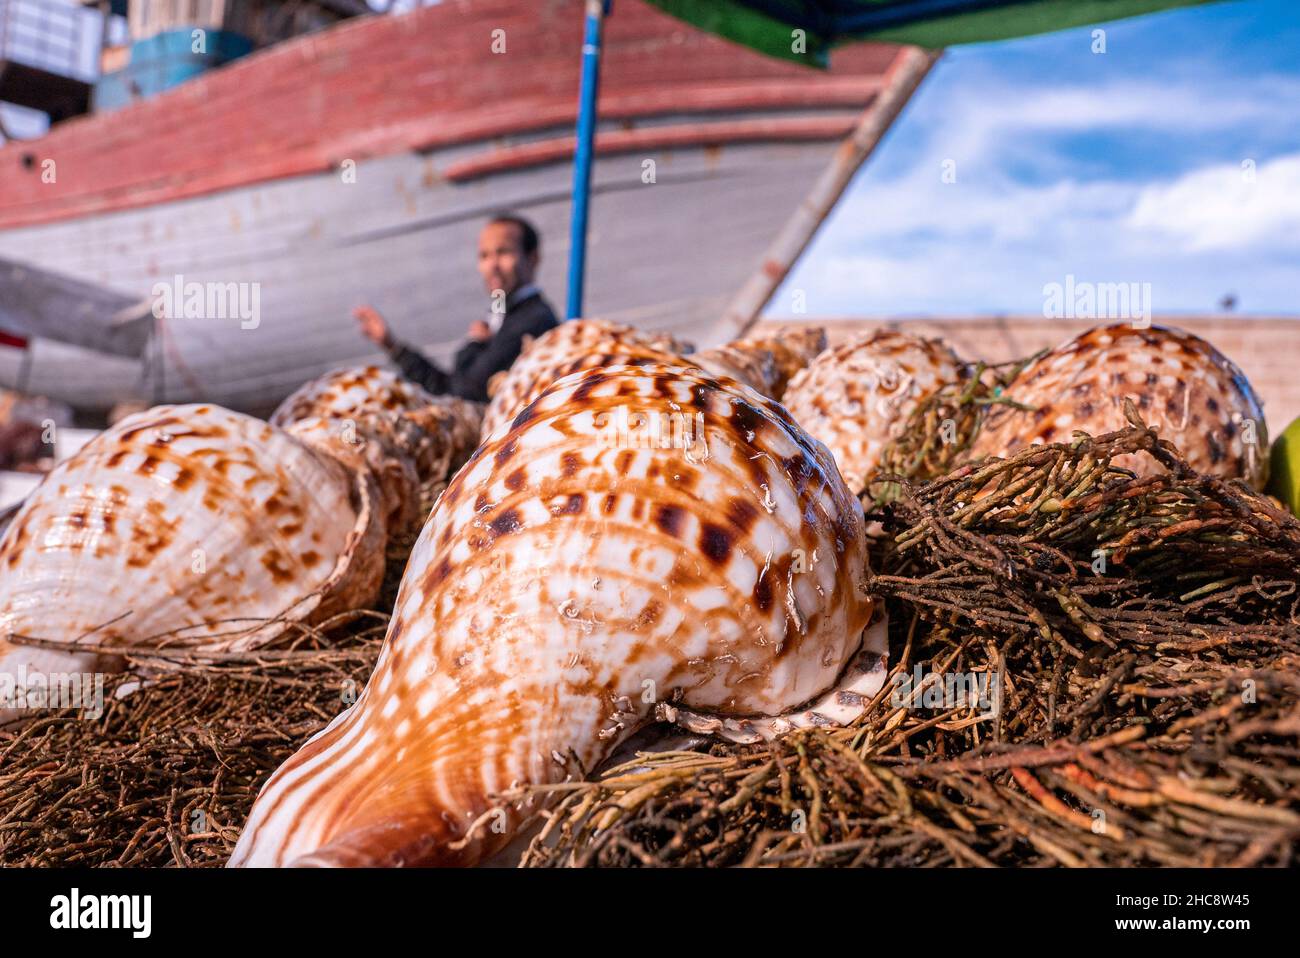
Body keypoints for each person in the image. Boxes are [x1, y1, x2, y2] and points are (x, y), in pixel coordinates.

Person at [354, 214, 559, 403]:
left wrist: (474, 345)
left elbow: (464, 394)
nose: (492, 265)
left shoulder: (534, 321)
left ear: (533, 259)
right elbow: (448, 388)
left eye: (503, 252)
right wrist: (391, 345)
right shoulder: (501, 318)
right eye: (484, 256)